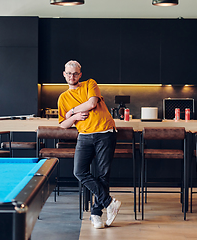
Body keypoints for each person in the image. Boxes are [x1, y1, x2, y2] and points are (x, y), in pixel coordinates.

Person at [57, 60, 121, 229]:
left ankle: (96, 214)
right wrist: (74, 116)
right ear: (64, 74)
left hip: (105, 133)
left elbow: (92, 103)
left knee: (103, 175)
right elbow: (63, 124)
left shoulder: (90, 84)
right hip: (84, 136)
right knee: (79, 171)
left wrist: (71, 111)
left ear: (80, 74)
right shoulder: (63, 98)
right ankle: (109, 202)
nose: (72, 76)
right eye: (69, 73)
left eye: (75, 73)